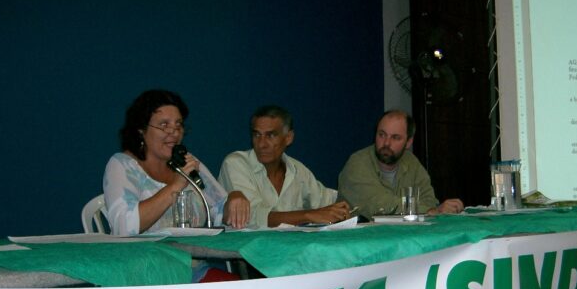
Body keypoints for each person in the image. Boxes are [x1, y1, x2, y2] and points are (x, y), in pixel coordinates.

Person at [103, 89, 249, 236]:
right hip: (143, 251)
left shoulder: (185, 160)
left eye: (178, 124)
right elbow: (123, 227)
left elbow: (218, 208)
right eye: (164, 124)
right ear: (141, 129)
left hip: (193, 250)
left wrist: (234, 199)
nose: (174, 132)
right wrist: (175, 186)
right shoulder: (122, 165)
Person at [218, 105, 350, 228]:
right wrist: (308, 215)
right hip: (244, 245)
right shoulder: (236, 163)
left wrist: (341, 209)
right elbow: (253, 217)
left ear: (288, 138)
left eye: (271, 135)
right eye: (257, 135)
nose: (262, 144)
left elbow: (327, 201)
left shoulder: (297, 170)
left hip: (290, 244)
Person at [338, 109, 464, 220]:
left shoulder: (411, 162)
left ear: (408, 142)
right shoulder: (357, 164)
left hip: (403, 234)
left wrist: (435, 210)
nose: (386, 143)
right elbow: (381, 207)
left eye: (395, 137)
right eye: (381, 135)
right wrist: (430, 211)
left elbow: (429, 200)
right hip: (360, 236)